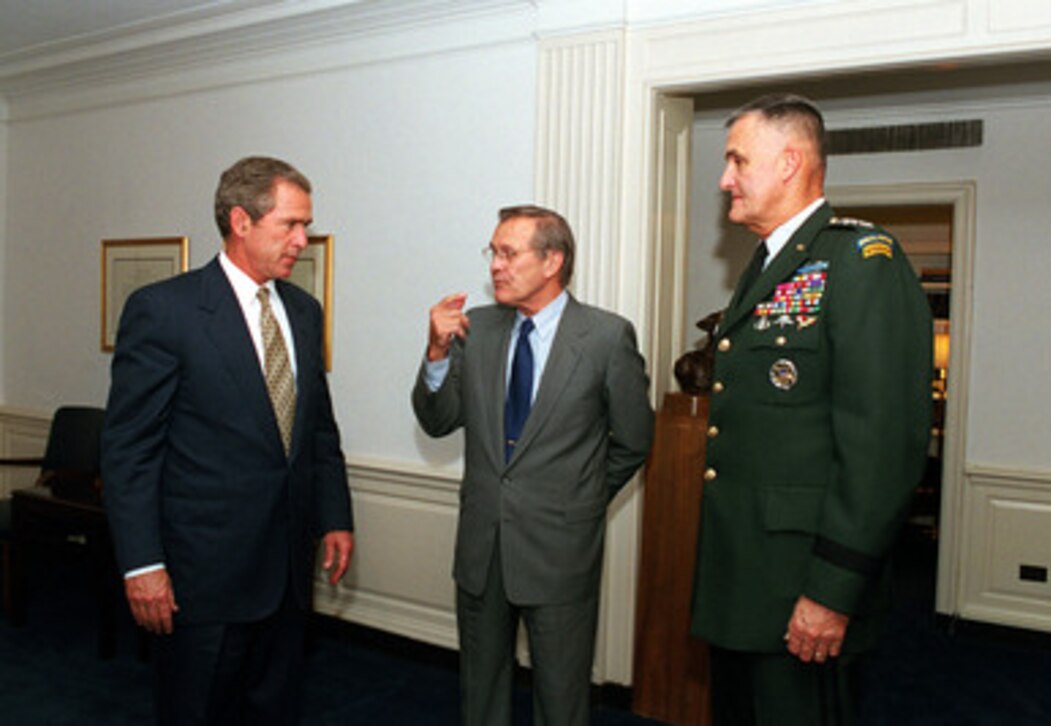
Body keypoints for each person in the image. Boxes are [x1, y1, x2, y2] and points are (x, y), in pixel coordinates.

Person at [689, 94, 933, 725]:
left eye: (738, 161)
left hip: (801, 587)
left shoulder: (858, 263)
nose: (725, 180)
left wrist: (831, 590)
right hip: (747, 580)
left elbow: (881, 449)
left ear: (790, 162)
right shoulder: (768, 266)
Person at [102, 156, 354, 725]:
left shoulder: (304, 311)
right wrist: (142, 564)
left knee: (273, 710)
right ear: (241, 221)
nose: (302, 238)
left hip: (288, 571)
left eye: (306, 225)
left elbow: (317, 428)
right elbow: (130, 451)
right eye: (289, 225)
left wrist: (335, 515)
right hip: (202, 579)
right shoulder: (165, 311)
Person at [412, 205, 654, 726]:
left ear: (552, 261)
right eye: (492, 253)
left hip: (560, 552)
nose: (495, 265)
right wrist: (435, 353)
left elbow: (634, 441)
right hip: (482, 549)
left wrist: (581, 499)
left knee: (562, 696)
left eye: (508, 253)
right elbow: (437, 422)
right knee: (481, 691)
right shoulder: (476, 331)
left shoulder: (607, 337)